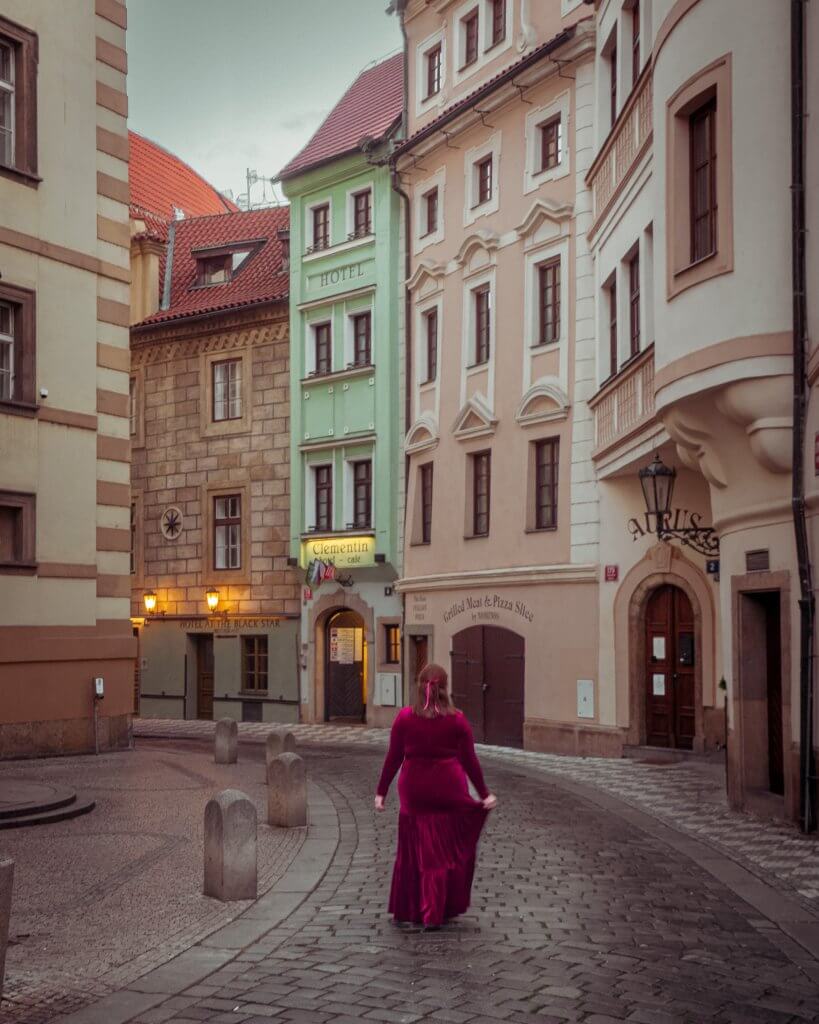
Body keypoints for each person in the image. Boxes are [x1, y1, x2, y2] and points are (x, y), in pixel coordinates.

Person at [374, 662, 497, 929]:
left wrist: (381, 792)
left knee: (411, 852)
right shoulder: (457, 720)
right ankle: (434, 912)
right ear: (446, 688)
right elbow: (470, 761)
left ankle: (410, 907)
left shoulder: (405, 718)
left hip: (414, 791)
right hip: (448, 789)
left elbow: (393, 758)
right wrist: (484, 794)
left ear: (419, 687)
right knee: (440, 853)